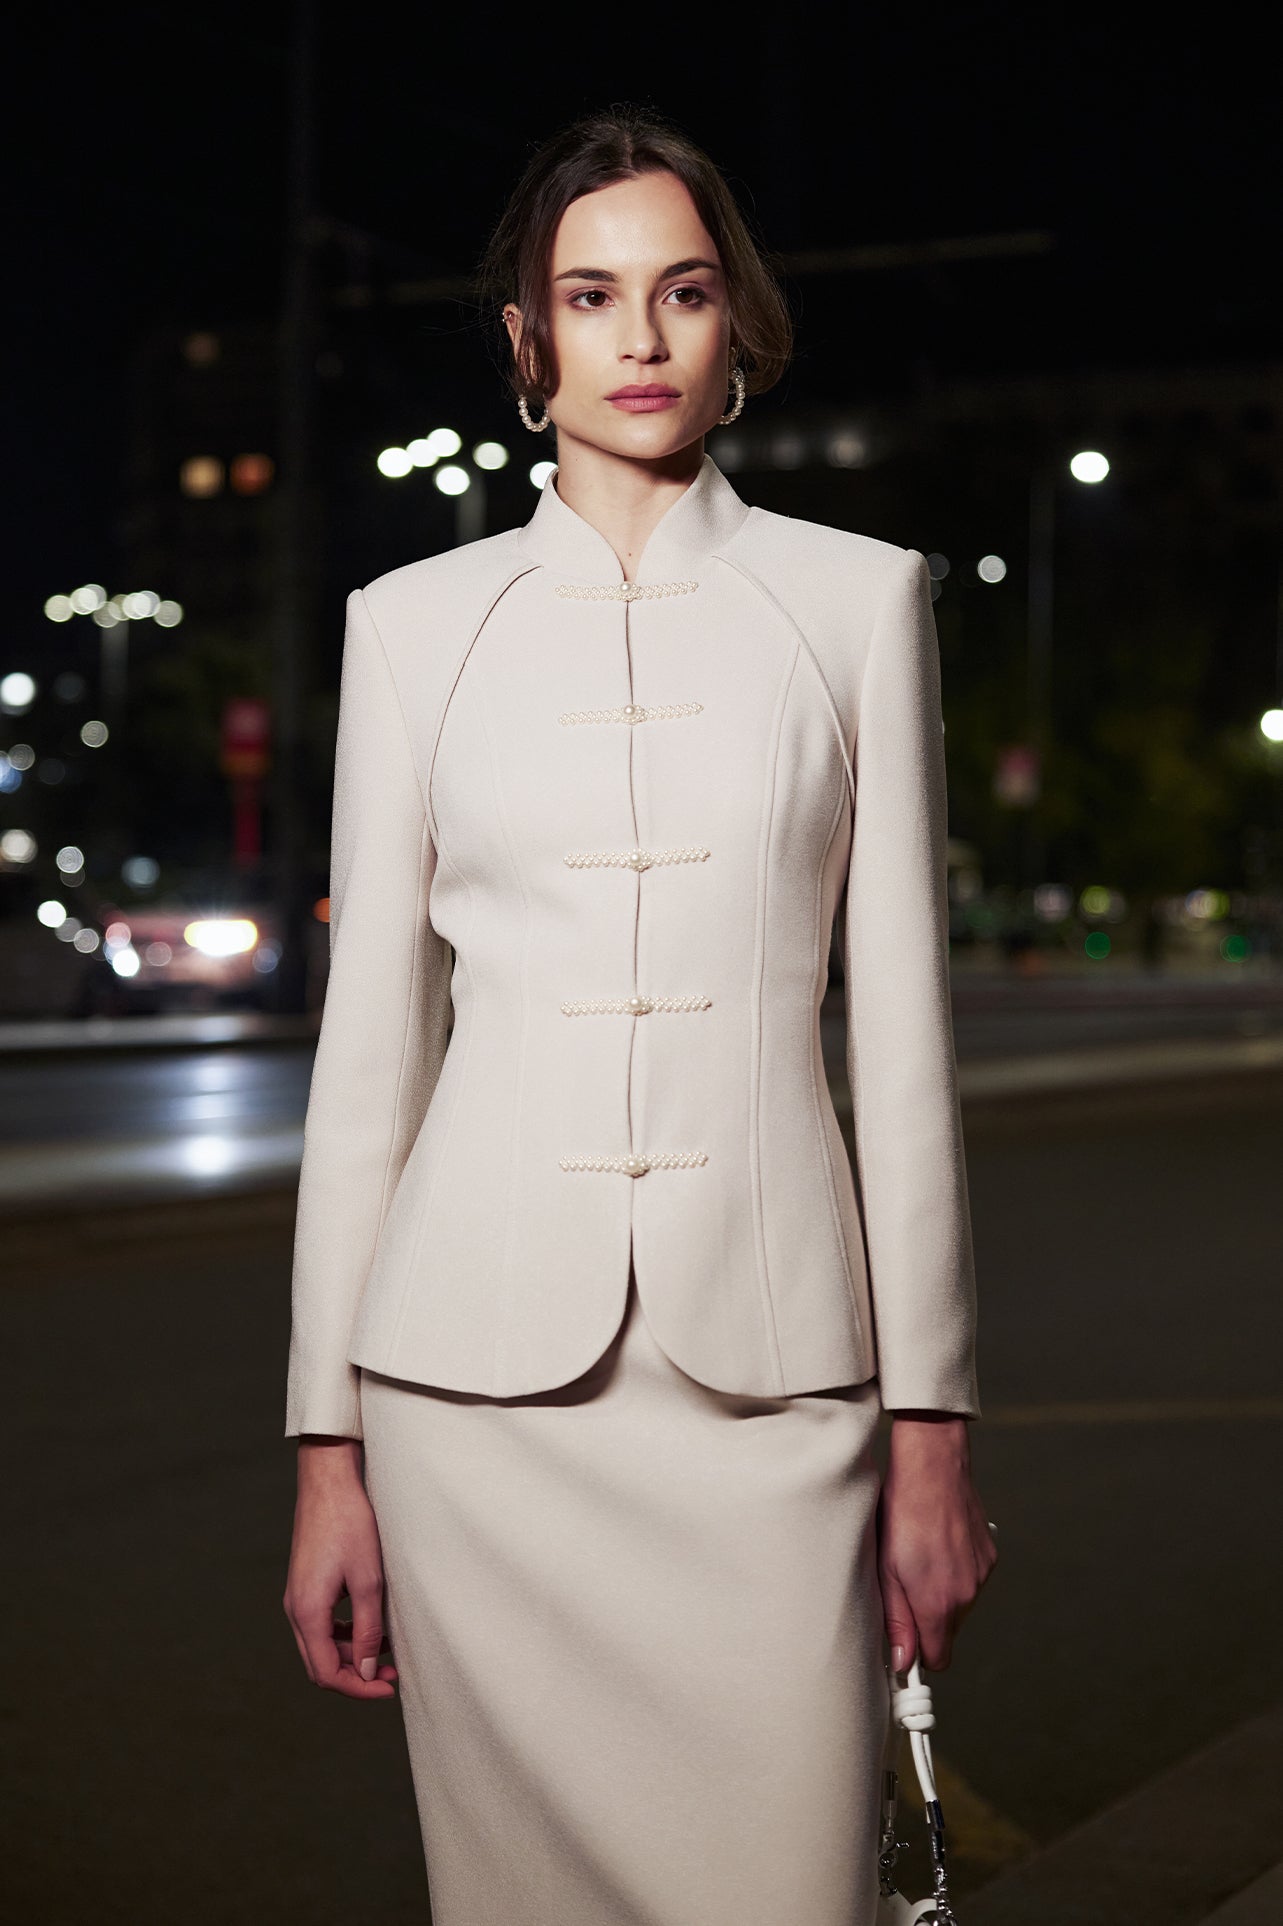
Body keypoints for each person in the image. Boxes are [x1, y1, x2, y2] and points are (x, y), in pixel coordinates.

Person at [282, 104, 997, 1926]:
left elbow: (903, 1049)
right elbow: (369, 1062)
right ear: (529, 342)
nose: (643, 338)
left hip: (776, 1391)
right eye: (591, 298)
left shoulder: (853, 602)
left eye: (681, 292)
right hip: (469, 1405)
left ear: (734, 321)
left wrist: (934, 1432)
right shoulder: (409, 626)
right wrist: (326, 1457)